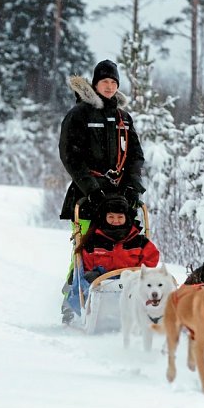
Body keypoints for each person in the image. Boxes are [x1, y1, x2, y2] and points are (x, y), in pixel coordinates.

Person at [59, 59, 145, 223]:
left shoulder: (124, 118)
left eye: (114, 82)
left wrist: (133, 185)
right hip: (87, 196)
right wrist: (91, 189)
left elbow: (135, 156)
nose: (109, 86)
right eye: (105, 81)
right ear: (95, 83)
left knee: (125, 247)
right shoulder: (79, 114)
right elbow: (70, 156)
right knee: (87, 246)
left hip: (121, 198)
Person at [62, 194, 160, 323]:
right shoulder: (93, 241)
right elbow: (86, 263)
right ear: (104, 217)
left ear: (127, 218)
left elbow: (151, 257)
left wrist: (142, 273)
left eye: (120, 217)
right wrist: (92, 273)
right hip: (102, 283)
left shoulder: (138, 240)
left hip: (133, 282)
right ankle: (86, 312)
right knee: (88, 282)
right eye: (111, 217)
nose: (116, 220)